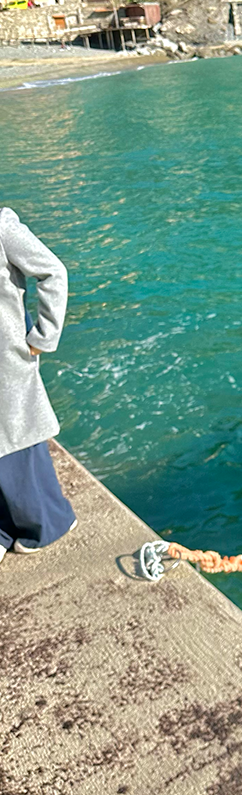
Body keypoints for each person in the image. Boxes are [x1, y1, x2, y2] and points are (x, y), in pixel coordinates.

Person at [0, 207, 76, 565]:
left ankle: (46, 526)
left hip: (5, 362)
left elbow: (53, 272)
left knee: (15, 444)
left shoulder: (2, 227)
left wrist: (43, 338)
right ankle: (7, 526)